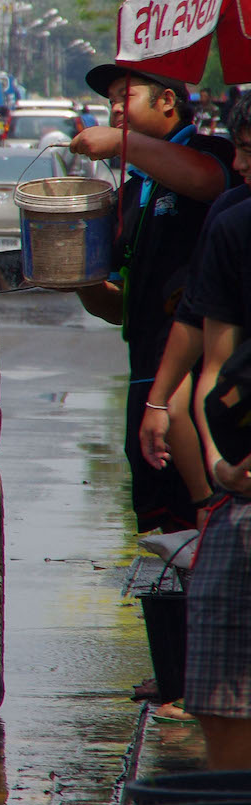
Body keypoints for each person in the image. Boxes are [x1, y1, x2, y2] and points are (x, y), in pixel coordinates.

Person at [71, 62, 232, 533]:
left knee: (209, 513)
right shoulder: (133, 190)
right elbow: (121, 306)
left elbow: (208, 182)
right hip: (147, 375)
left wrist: (123, 144)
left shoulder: (211, 152)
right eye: (111, 101)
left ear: (168, 101)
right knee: (167, 530)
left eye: (126, 95)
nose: (115, 109)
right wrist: (80, 279)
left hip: (202, 374)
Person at [138, 97, 251, 511]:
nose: (239, 165)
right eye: (236, 149)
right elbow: (214, 359)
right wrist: (220, 466)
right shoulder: (232, 221)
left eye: (249, 151)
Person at [186, 193, 251, 768]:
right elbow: (213, 368)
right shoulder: (235, 228)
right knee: (219, 693)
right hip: (242, 499)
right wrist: (219, 468)